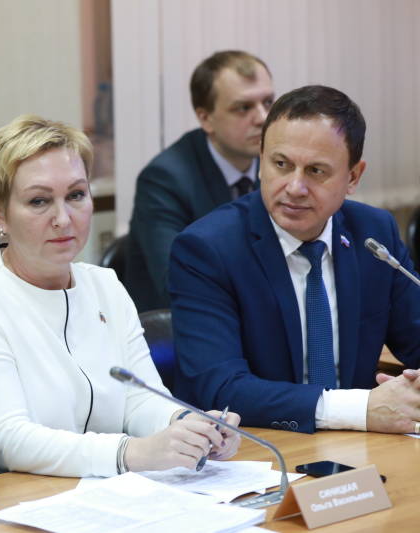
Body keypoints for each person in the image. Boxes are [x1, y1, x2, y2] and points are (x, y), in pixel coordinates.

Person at [0, 115, 241, 478]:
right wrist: (131, 452)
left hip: (107, 494)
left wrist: (190, 426)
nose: (63, 218)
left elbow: (139, 399)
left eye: (76, 195)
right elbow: (7, 439)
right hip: (15, 501)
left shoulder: (105, 285)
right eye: (39, 201)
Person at [169, 85, 420, 435]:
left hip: (362, 446)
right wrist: (358, 408)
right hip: (262, 447)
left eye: (316, 171)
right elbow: (221, 388)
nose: (295, 187)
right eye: (281, 164)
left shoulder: (373, 235)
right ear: (261, 159)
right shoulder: (207, 250)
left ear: (353, 177)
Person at [125, 50, 275, 311]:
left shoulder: (278, 165)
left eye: (268, 102)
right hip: (178, 325)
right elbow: (176, 283)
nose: (263, 118)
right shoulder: (165, 179)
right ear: (206, 118)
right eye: (244, 108)